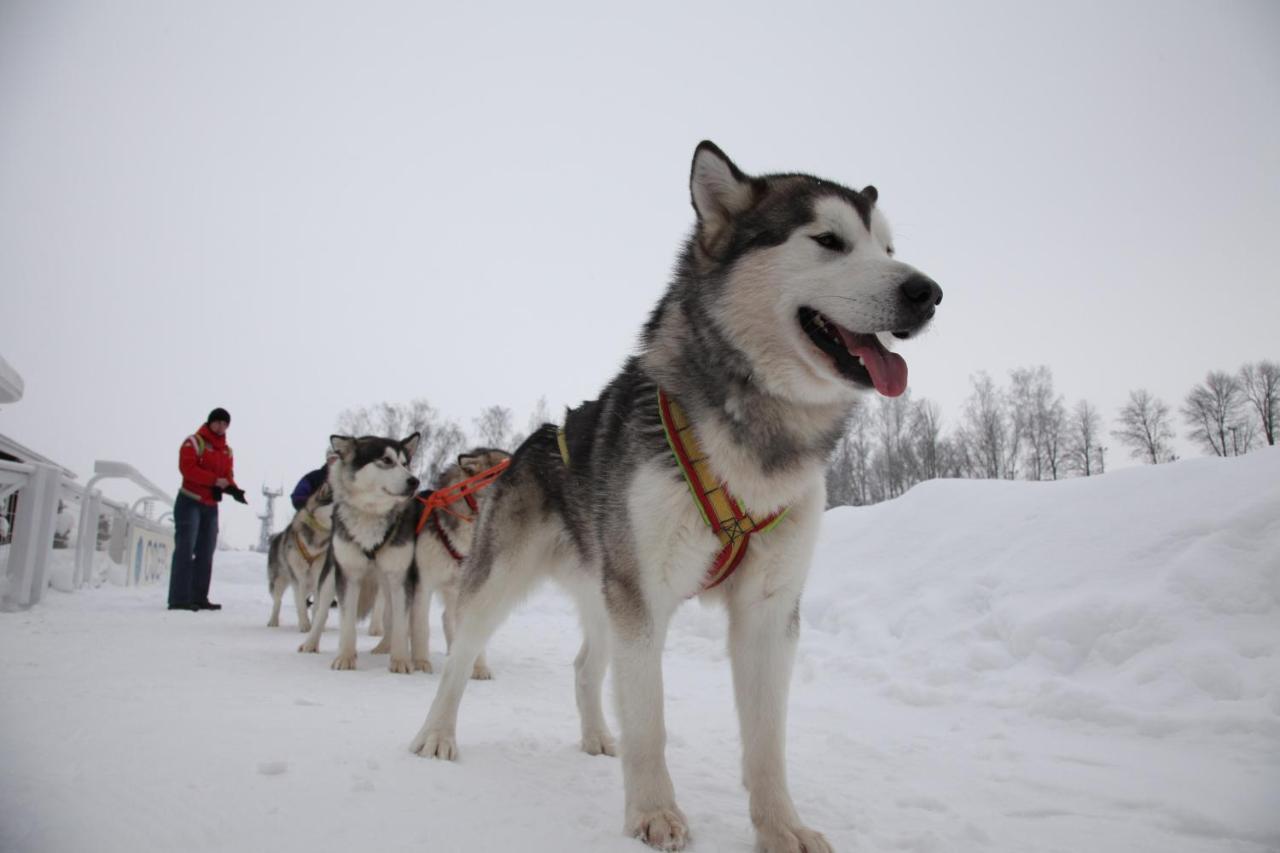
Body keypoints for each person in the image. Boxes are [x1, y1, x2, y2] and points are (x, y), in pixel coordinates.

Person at [167, 407, 245, 611]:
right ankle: (179, 598)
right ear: (210, 422)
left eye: (225, 424)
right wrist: (214, 481)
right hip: (190, 501)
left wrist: (233, 489)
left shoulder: (227, 451)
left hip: (211, 507)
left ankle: (199, 597)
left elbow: (227, 475)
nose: (221, 427)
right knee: (185, 548)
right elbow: (187, 469)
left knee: (206, 551)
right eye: (218, 422)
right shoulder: (193, 442)